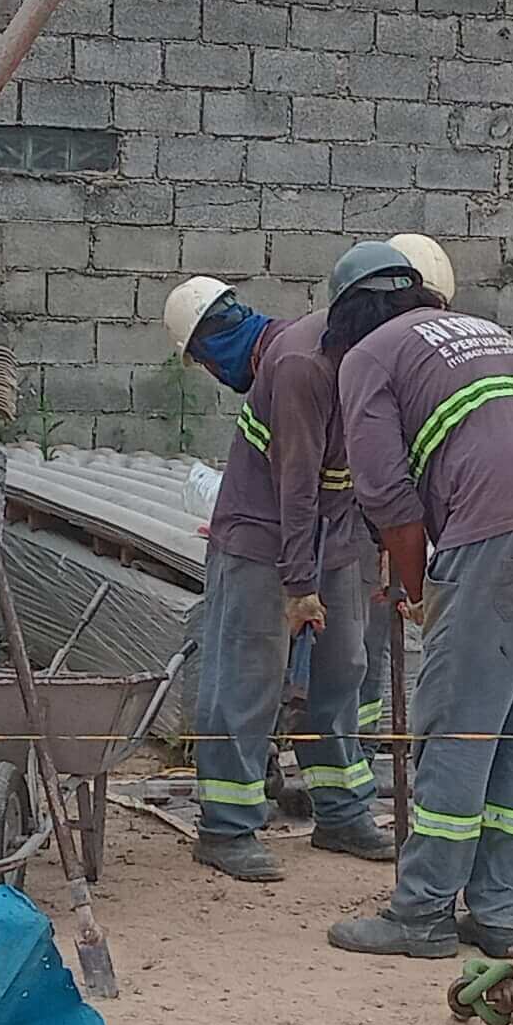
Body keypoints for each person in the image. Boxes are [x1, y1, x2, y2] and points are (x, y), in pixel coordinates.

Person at [322, 248, 513, 963]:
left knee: (459, 722)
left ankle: (420, 914)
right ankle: (499, 915)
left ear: (346, 313)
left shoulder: (368, 357)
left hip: (500, 528)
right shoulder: (485, 333)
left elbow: (388, 497)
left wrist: (418, 591)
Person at [163, 269, 391, 882]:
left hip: (334, 535)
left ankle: (340, 811)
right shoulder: (299, 366)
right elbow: (297, 490)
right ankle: (227, 826)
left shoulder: (379, 357)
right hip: (264, 539)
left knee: (341, 671)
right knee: (247, 677)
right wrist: (300, 587)